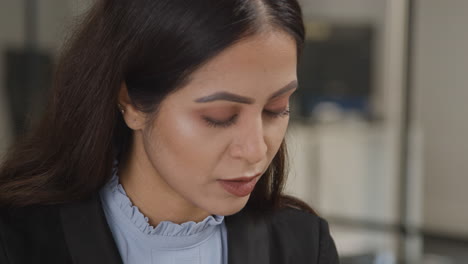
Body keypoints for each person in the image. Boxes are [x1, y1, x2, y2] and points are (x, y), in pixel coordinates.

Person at [0, 0, 339, 263]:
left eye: (276, 109)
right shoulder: (16, 242)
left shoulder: (304, 246)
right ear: (131, 102)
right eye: (219, 116)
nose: (255, 150)